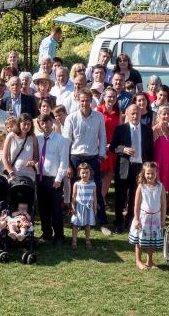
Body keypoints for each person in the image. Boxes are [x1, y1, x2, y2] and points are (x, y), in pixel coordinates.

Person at [62, 89, 108, 233]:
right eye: (82, 100)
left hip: (93, 158)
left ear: (91, 101)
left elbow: (103, 137)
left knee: (97, 189)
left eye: (87, 100)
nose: (84, 103)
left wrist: (101, 155)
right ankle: (78, 220)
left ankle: (102, 222)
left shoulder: (99, 117)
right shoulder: (71, 118)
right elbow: (66, 142)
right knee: (76, 192)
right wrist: (68, 164)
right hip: (75, 158)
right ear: (78, 101)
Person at [111, 106, 153, 234]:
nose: (135, 116)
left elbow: (150, 151)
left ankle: (131, 221)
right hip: (124, 168)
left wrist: (150, 167)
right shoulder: (120, 129)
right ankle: (118, 223)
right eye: (132, 114)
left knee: (136, 197)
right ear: (127, 115)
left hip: (140, 168)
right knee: (120, 197)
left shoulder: (147, 130)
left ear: (141, 114)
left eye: (137, 113)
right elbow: (113, 147)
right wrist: (123, 149)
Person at [36, 111, 70, 244]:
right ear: (39, 124)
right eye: (42, 123)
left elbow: (64, 161)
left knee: (55, 209)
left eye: (47, 122)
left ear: (52, 122)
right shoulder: (37, 139)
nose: (45, 125)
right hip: (40, 177)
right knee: (43, 209)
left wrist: (58, 179)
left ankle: (59, 236)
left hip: (54, 179)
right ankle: (46, 234)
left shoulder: (61, 140)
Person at [130, 162, 166, 269]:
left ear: (156, 173)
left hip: (155, 218)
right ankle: (138, 261)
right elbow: (136, 205)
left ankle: (149, 261)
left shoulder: (160, 186)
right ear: (144, 173)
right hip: (143, 218)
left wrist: (163, 220)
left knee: (152, 240)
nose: (150, 176)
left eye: (152, 173)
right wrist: (136, 219)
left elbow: (163, 204)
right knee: (140, 240)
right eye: (148, 173)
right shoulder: (141, 187)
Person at [70, 163, 96, 248]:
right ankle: (74, 240)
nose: (85, 175)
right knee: (76, 225)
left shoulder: (93, 184)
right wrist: (73, 206)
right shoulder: (77, 184)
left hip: (88, 208)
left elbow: (94, 197)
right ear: (79, 173)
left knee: (87, 225)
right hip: (79, 208)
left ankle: (87, 240)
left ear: (90, 173)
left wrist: (95, 208)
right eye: (83, 173)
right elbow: (73, 196)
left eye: (87, 173)